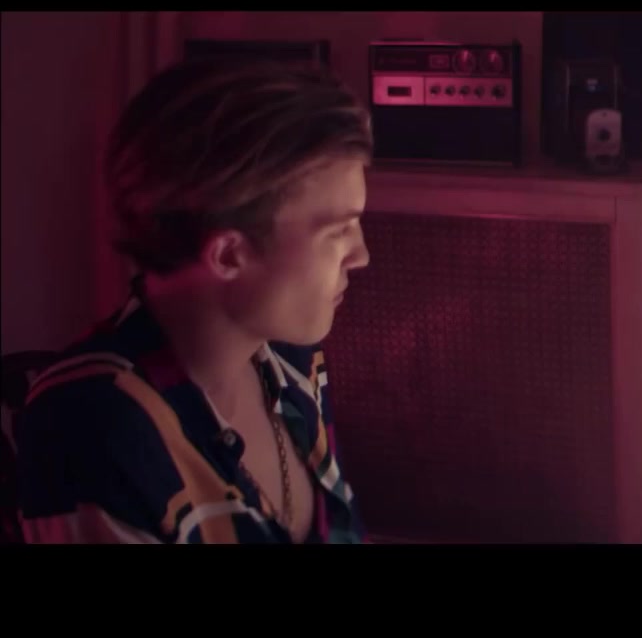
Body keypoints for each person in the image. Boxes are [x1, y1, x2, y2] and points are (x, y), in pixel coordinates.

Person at [14, 56, 373, 543]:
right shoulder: (92, 427)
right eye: (338, 231)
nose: (361, 255)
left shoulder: (291, 359)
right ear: (228, 254)